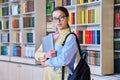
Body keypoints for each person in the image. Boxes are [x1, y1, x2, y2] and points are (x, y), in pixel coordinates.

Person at [35, 6, 78, 80]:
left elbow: (64, 60)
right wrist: (45, 54)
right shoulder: (51, 36)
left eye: (61, 17)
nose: (58, 21)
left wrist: (46, 63)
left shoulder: (71, 37)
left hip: (62, 77)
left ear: (67, 18)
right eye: (55, 19)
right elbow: (37, 54)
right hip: (48, 76)